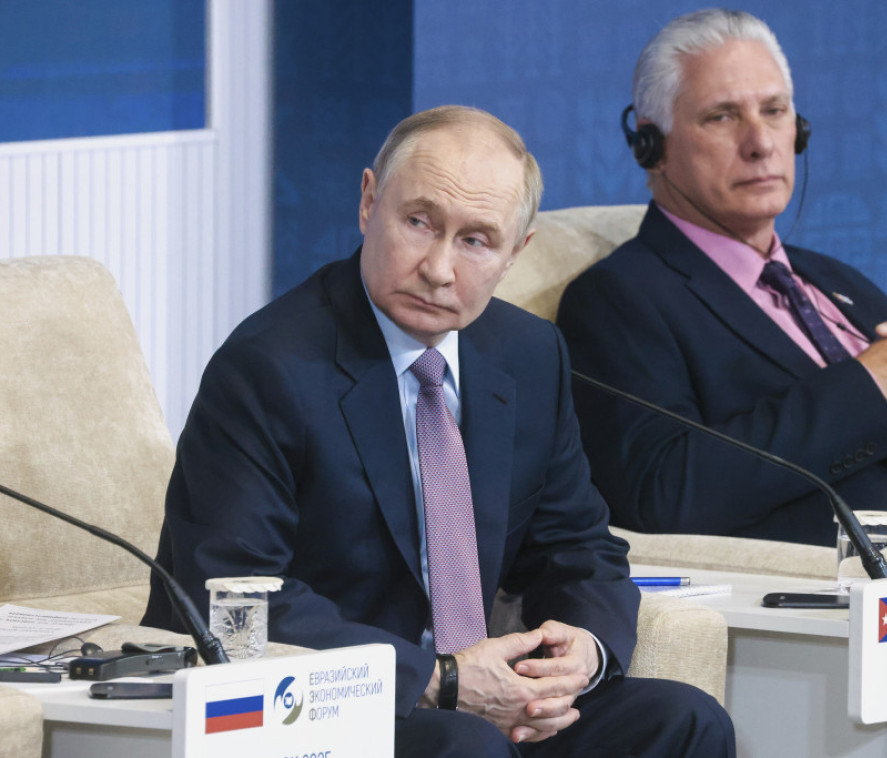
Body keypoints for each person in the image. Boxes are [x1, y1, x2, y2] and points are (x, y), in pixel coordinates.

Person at [142, 105, 734, 756]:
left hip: (482, 702)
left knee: (684, 721)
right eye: (419, 223)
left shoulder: (528, 355)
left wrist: (582, 651)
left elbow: (577, 544)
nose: (439, 269)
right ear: (369, 203)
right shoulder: (269, 367)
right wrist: (439, 678)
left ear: (515, 253)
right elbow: (232, 591)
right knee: (466, 745)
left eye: (476, 240)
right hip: (330, 706)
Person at [557, 9, 887, 567]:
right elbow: (663, 494)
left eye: (775, 111)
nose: (760, 143)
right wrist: (868, 386)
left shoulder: (832, 279)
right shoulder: (619, 299)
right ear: (651, 146)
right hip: (873, 602)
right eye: (722, 116)